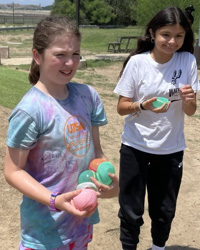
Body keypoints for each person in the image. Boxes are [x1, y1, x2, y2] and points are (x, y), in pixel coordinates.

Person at [4, 16, 119, 250]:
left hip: (80, 221)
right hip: (44, 231)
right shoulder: (30, 110)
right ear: (37, 56)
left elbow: (96, 154)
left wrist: (107, 180)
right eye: (60, 55)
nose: (70, 63)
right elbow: (13, 171)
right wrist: (55, 200)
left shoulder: (88, 97)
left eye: (75, 54)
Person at [114, 6, 199, 250]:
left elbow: (190, 111)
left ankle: (158, 247)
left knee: (164, 209)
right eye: (166, 34)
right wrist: (143, 105)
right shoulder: (137, 63)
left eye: (179, 36)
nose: (172, 41)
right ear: (153, 33)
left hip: (171, 148)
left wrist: (189, 101)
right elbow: (121, 107)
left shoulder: (188, 60)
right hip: (135, 146)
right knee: (131, 208)